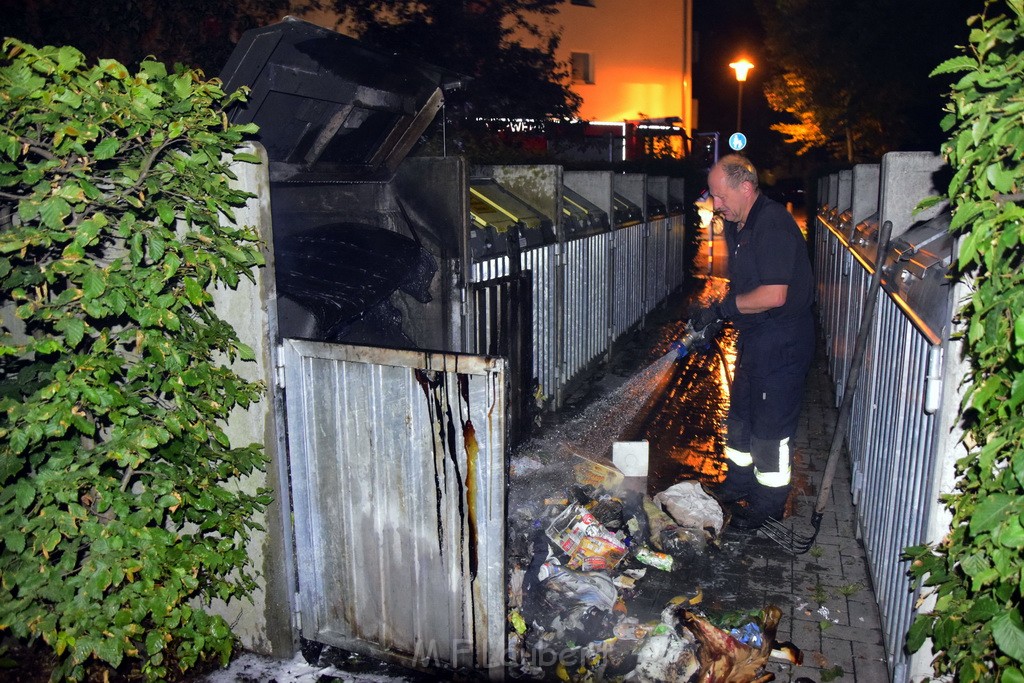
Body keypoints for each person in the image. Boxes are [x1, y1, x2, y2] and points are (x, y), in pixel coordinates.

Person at [691, 154, 815, 529]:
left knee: (770, 428)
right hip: (756, 337)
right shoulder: (738, 223)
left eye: (720, 195)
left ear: (745, 188)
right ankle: (739, 483)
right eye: (713, 195)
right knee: (741, 416)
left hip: (783, 340)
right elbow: (745, 286)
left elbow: (774, 294)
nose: (716, 203)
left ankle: (768, 503)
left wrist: (724, 309)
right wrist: (715, 316)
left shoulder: (772, 224)